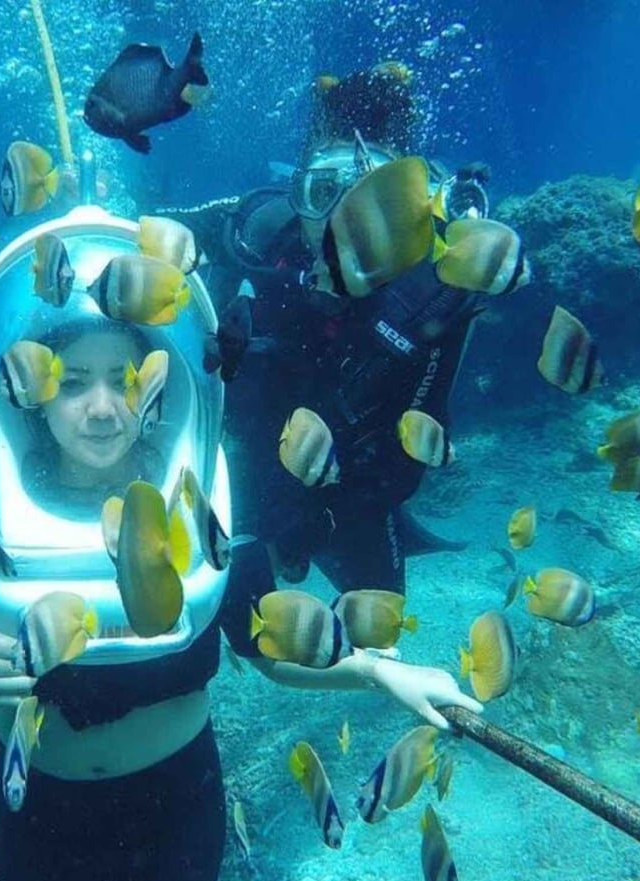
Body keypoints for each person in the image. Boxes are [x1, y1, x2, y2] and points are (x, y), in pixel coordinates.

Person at [0, 206, 483, 881]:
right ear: (30, 391)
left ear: (160, 383)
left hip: (176, 808)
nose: (103, 406)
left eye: (124, 379)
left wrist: (381, 673)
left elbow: (266, 648)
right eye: (73, 382)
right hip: (38, 814)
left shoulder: (196, 501)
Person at [161, 63, 499, 607]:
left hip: (352, 489)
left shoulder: (435, 291)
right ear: (298, 192)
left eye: (377, 202)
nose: (350, 220)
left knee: (379, 626)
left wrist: (321, 512)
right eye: (325, 192)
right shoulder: (258, 232)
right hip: (245, 461)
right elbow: (150, 234)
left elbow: (412, 454)